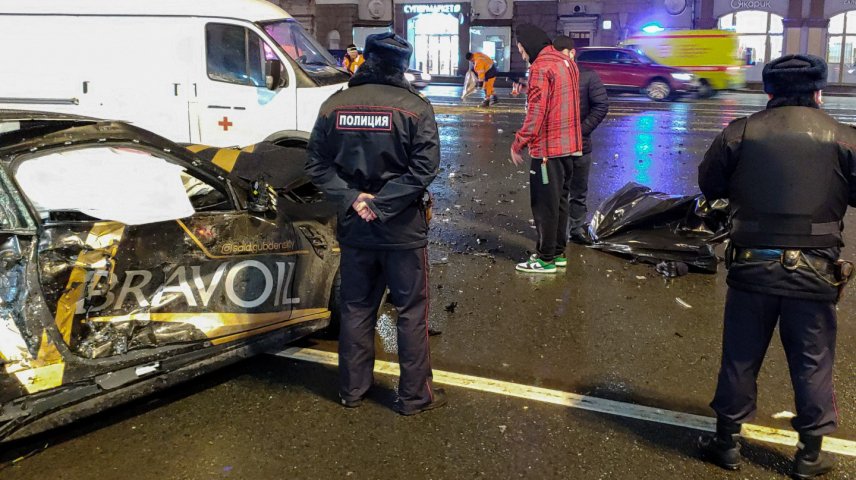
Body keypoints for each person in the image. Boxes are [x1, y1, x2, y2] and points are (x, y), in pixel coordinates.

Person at [697, 54, 856, 479]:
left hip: (751, 267)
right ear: (818, 92)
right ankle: (809, 454)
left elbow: (709, 184)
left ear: (768, 92)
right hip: (816, 270)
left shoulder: (739, 133)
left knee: (740, 357)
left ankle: (726, 442)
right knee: (813, 359)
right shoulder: (844, 138)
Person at [305, 32, 446, 415]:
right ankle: (414, 396)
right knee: (411, 312)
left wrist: (354, 199)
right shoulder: (415, 107)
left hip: (356, 225)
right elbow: (425, 168)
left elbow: (316, 164)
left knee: (355, 308)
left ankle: (352, 390)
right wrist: (384, 204)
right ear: (402, 67)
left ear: (366, 60)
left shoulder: (335, 104)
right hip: (402, 228)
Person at [510, 25, 583, 274]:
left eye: (521, 49)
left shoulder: (540, 68)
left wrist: (519, 141)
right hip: (570, 147)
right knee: (560, 201)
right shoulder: (566, 61)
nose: (522, 54)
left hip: (547, 151)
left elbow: (536, 114)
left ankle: (545, 259)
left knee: (544, 206)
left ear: (529, 45)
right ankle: (559, 252)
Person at [552, 35, 608, 244]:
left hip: (580, 145)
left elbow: (601, 106)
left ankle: (577, 229)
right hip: (557, 146)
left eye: (563, 55)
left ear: (572, 53)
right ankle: (556, 233)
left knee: (578, 191)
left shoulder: (588, 76)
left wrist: (581, 131)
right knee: (557, 192)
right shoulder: (553, 75)